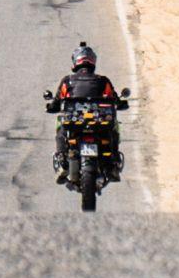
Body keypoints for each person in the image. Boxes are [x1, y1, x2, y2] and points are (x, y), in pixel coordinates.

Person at [47, 43, 127, 184]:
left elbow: (58, 100)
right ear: (93, 61)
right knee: (114, 127)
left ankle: (62, 161)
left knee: (61, 125)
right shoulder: (102, 80)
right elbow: (114, 98)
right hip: (99, 124)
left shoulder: (68, 81)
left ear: (75, 62)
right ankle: (113, 163)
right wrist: (121, 103)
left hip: (74, 123)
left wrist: (51, 106)